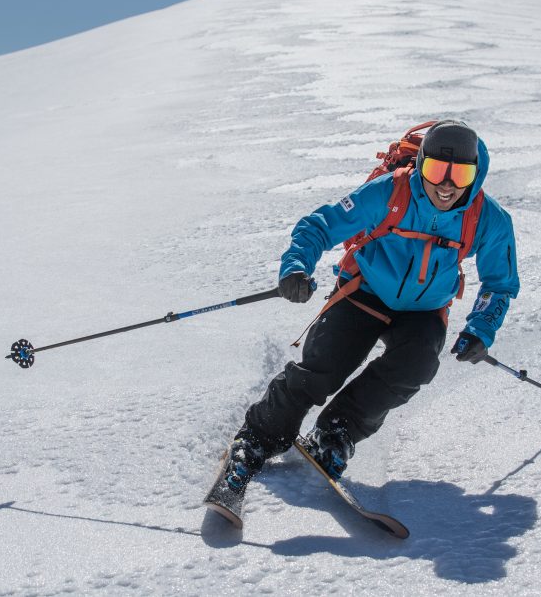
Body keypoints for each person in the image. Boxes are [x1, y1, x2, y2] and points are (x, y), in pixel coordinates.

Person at [223, 120, 520, 491]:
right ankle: (258, 437)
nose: (447, 184)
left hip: (425, 310)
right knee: (323, 366)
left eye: (460, 174)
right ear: (421, 163)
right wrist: (296, 267)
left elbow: (500, 284)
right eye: (436, 170)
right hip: (364, 291)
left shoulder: (487, 219)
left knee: (416, 366)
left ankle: (335, 433)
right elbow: (321, 225)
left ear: (475, 174)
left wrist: (480, 328)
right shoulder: (389, 192)